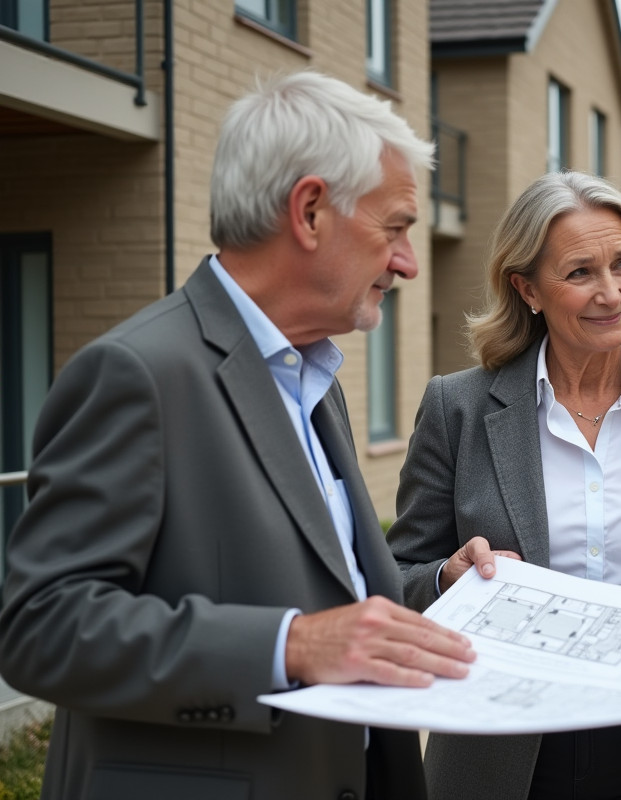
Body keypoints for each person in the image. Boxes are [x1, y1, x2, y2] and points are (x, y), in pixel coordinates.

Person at [0, 71, 476, 800]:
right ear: (310, 211)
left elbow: (333, 595)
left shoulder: (318, 385)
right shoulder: (136, 375)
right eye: (396, 227)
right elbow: (42, 627)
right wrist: (292, 645)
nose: (409, 262)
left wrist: (445, 589)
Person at [388, 170, 621, 800]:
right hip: (498, 759)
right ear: (526, 288)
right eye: (580, 272)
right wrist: (447, 578)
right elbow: (396, 580)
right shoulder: (457, 409)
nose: (612, 293)